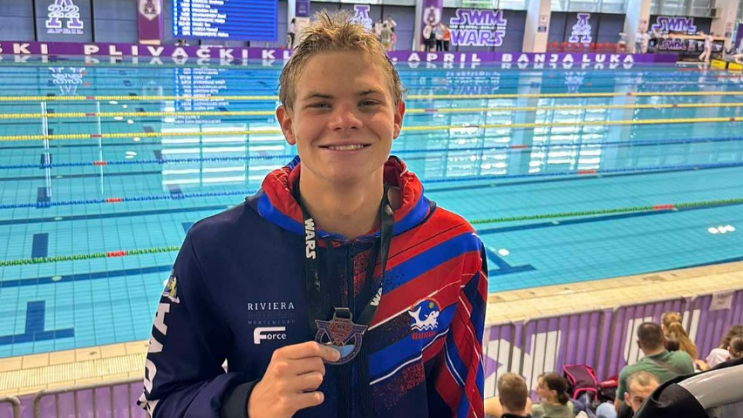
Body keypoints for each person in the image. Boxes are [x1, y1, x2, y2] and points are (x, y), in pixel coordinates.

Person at [137, 10, 488, 418]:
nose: (345, 121)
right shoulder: (217, 249)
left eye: (367, 102)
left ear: (396, 118)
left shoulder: (452, 248)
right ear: (288, 124)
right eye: (320, 104)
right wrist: (244, 404)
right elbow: (162, 400)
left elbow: (461, 402)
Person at [613, 323, 694, 413]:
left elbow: (618, 408)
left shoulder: (628, 372)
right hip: (683, 412)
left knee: (604, 407)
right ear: (664, 340)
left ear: (639, 344)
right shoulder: (685, 358)